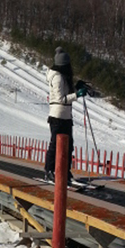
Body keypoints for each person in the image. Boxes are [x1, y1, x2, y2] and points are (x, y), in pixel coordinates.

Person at [44, 47, 87, 183]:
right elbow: (61, 99)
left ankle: (64, 171)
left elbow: (66, 93)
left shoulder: (62, 77)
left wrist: (76, 87)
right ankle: (49, 171)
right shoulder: (57, 77)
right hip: (57, 116)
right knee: (55, 145)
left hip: (66, 116)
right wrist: (77, 95)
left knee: (68, 145)